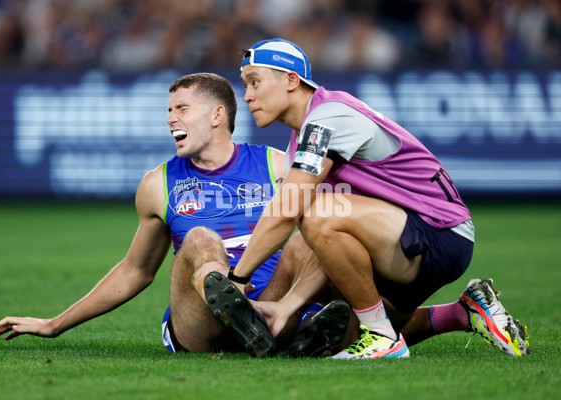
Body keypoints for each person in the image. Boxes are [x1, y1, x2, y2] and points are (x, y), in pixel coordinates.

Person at [204, 38, 531, 359]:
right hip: (404, 236)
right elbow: (328, 240)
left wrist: (238, 277)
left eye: (255, 82)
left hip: (437, 232)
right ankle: (466, 310)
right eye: (245, 85)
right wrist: (287, 306)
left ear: (291, 80)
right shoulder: (305, 136)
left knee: (314, 210)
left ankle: (382, 337)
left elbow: (289, 211)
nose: (247, 96)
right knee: (344, 337)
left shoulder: (325, 118)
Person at [0, 72, 340, 357]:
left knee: (308, 241)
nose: (170, 118)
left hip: (271, 302)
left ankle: (285, 324)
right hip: (200, 324)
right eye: (169, 110)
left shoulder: (276, 165)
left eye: (182, 108)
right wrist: (55, 324)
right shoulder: (158, 184)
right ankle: (280, 325)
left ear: (217, 115)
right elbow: (135, 271)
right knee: (201, 239)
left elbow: (330, 235)